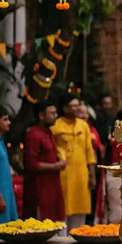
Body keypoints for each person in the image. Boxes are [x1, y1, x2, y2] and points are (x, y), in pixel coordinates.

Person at [51, 94, 96, 231]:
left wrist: (92, 175)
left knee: (80, 210)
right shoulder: (56, 126)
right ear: (65, 108)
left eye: (78, 105)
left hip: (81, 175)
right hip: (64, 175)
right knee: (62, 209)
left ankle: (78, 237)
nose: (77, 108)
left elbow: (89, 151)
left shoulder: (84, 126)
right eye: (74, 106)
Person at [22, 101, 66, 221]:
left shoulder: (48, 132)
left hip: (52, 186)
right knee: (42, 223)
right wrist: (55, 166)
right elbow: (31, 164)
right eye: (52, 113)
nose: (55, 115)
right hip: (40, 188)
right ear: (41, 116)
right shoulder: (34, 134)